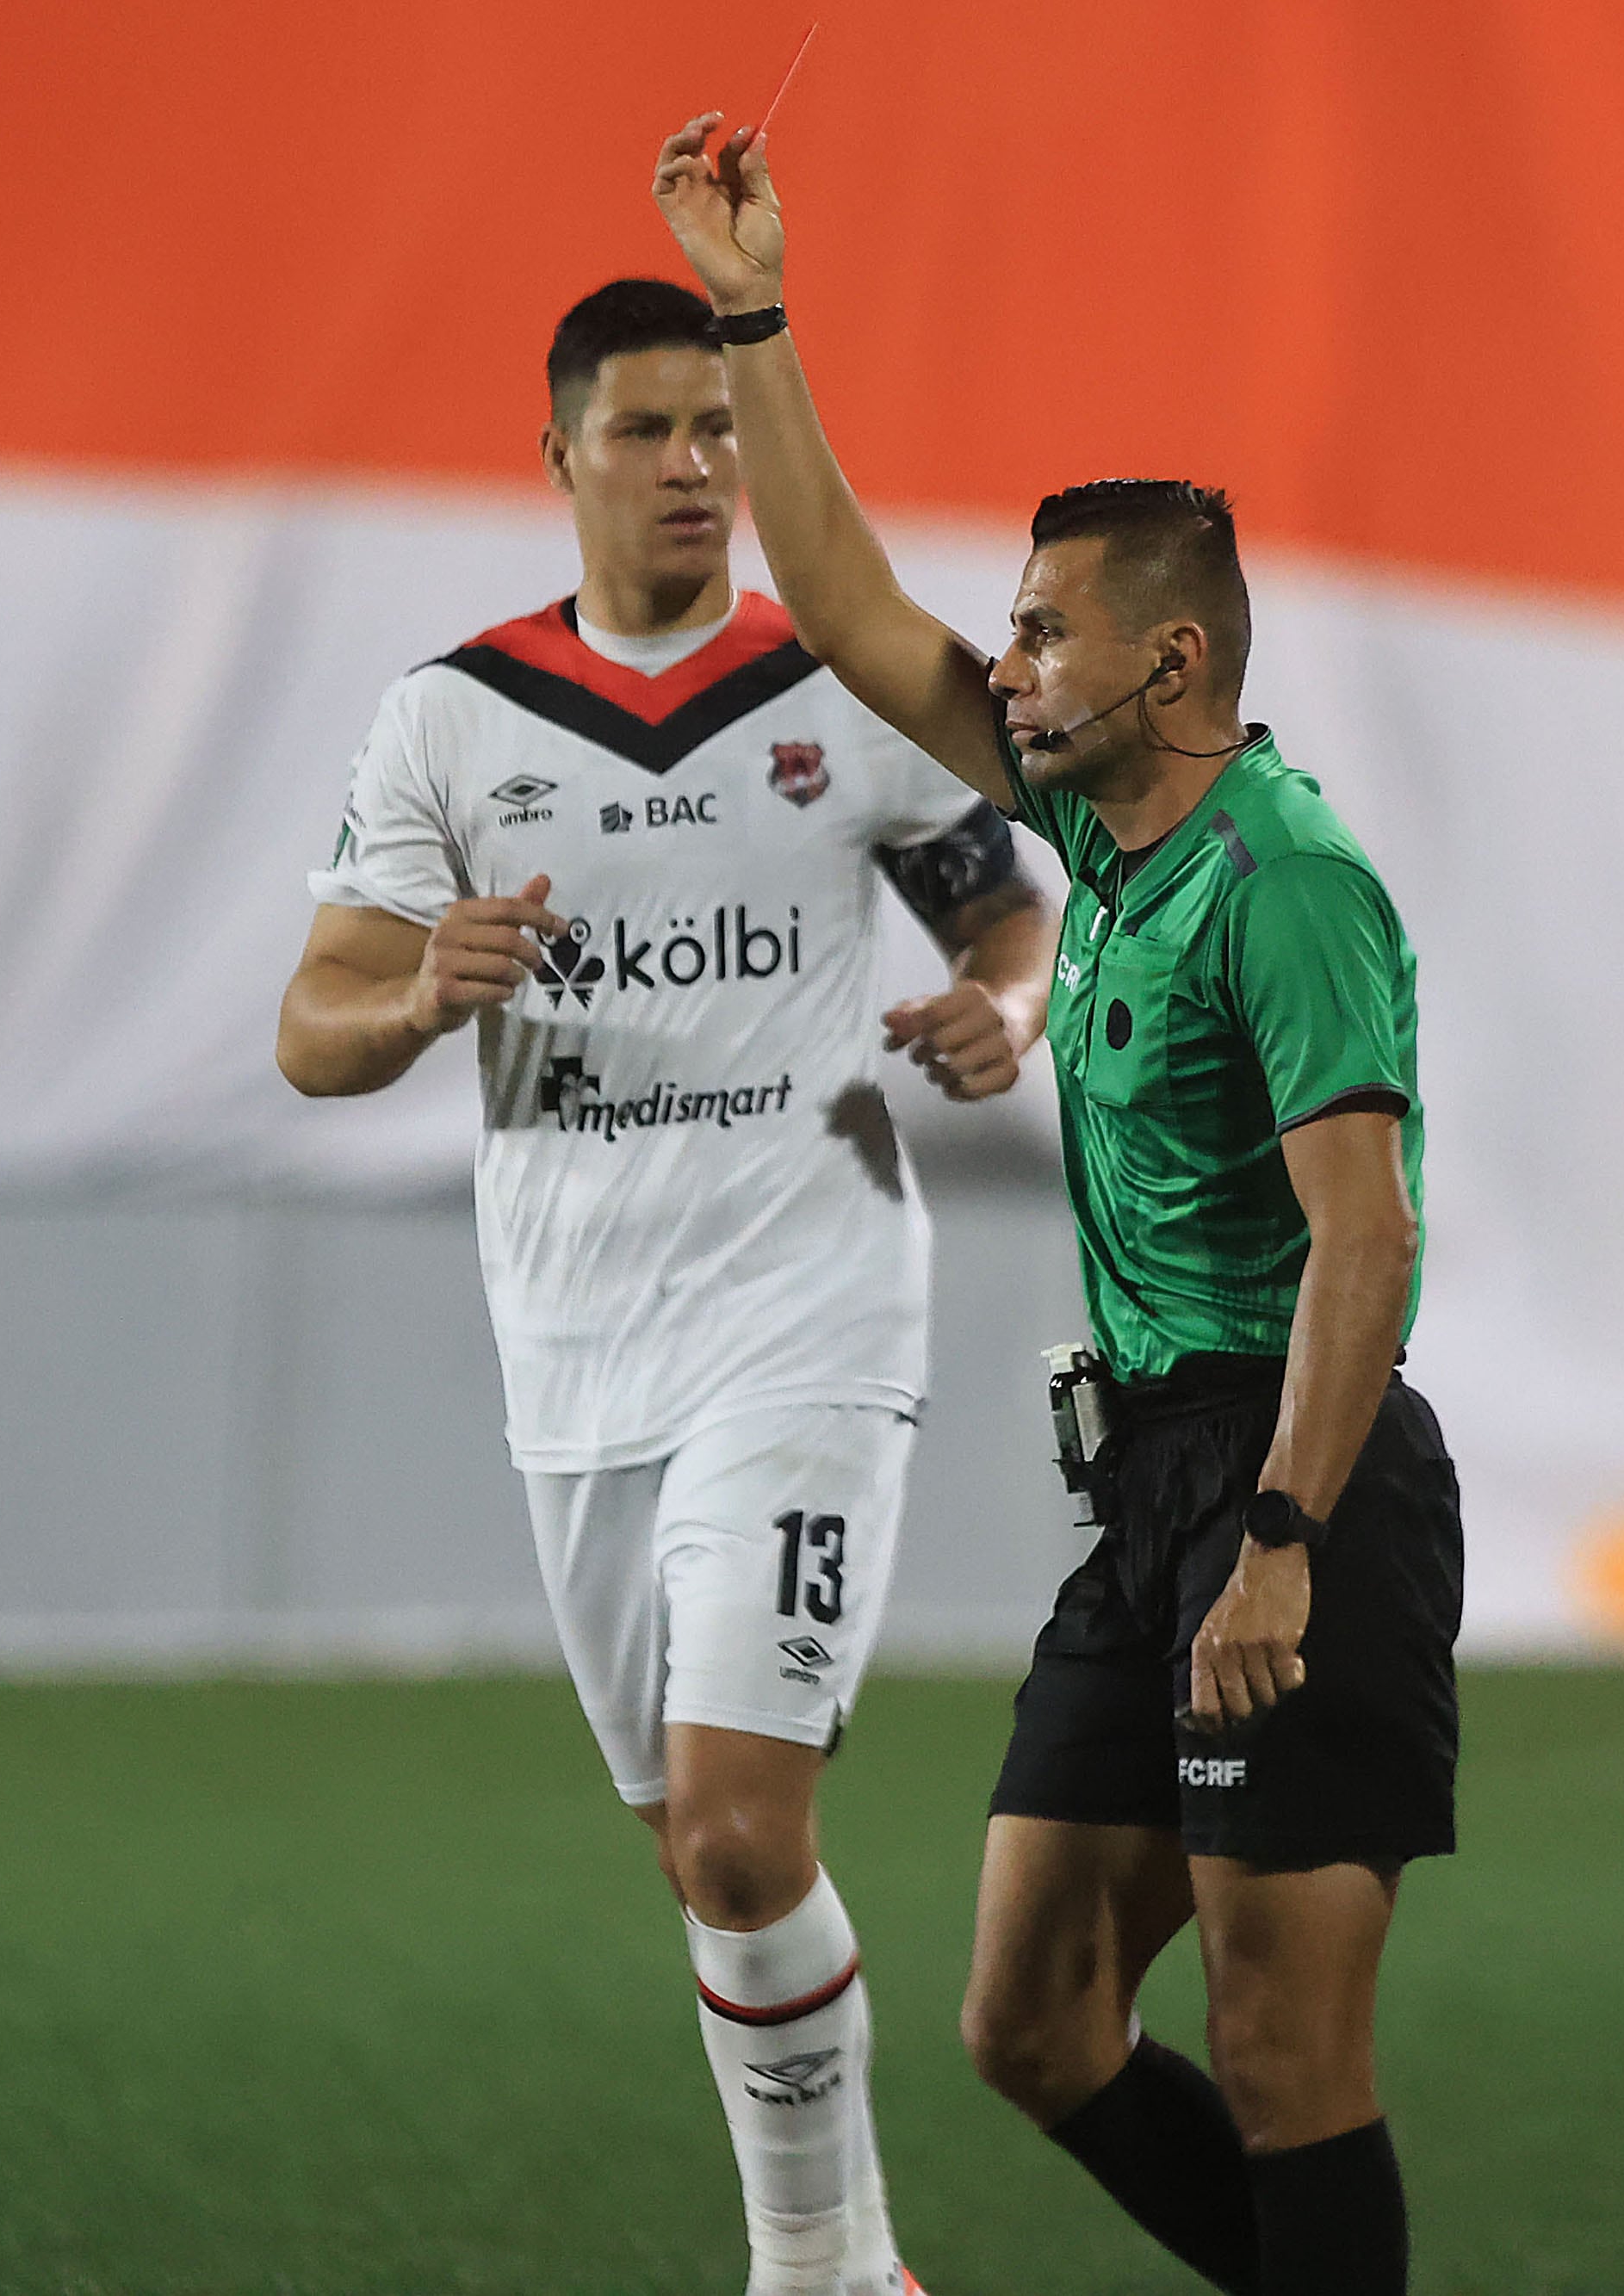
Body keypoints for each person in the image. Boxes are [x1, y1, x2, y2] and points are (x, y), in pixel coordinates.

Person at [651, 114, 1461, 2296]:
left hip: (1300, 1481)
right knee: (1028, 2016)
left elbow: (1363, 1239)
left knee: (1287, 2050)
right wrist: (749, 309)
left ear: (1167, 665)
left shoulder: (1281, 879)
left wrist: (1281, 1533)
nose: (1000, 667)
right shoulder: (1104, 831)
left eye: (1038, 635)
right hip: (1158, 1492)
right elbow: (838, 603)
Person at [276, 277, 1054, 2296]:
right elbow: (310, 1023)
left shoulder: (826, 689)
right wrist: (420, 991)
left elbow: (1010, 911)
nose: (695, 463)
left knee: (730, 1823)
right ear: (556, 459)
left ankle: (808, 2272)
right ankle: (854, 2265)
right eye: (646, 429)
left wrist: (1003, 1010)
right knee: (698, 1858)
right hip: (574, 1344)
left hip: (803, 1306)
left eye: (717, 425)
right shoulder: (450, 718)